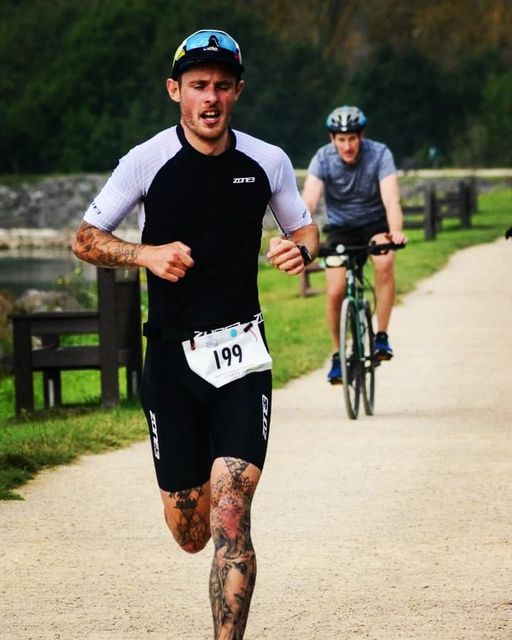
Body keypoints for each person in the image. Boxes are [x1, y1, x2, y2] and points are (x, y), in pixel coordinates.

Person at [72, 29, 318, 639]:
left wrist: (300, 252)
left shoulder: (267, 161)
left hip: (242, 358)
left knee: (232, 515)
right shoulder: (146, 160)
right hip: (171, 362)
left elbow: (304, 230)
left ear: (238, 92)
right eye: (199, 86)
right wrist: (145, 254)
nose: (211, 98)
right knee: (191, 532)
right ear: (174, 90)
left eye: (222, 86)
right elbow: (85, 239)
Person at [302, 105, 407, 384]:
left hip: (375, 224)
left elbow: (391, 199)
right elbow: (309, 200)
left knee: (384, 261)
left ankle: (381, 336)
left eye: (352, 138)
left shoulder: (380, 154)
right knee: (335, 290)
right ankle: (338, 355)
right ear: (332, 139)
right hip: (341, 229)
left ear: (361, 136)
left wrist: (395, 231)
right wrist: (298, 233)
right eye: (341, 139)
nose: (347, 146)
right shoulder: (322, 158)